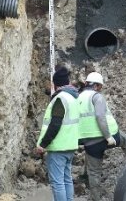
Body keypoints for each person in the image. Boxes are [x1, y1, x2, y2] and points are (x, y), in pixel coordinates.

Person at [77, 72, 126, 201]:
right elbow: (100, 116)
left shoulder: (78, 98)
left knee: (94, 172)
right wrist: (108, 136)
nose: (100, 89)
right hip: (108, 136)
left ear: (86, 83)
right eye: (100, 87)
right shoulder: (96, 97)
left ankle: (96, 197)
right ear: (97, 86)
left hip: (89, 142)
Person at [34, 66, 80, 201]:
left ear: (55, 84)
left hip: (58, 148)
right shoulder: (73, 98)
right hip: (70, 146)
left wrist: (43, 144)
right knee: (67, 179)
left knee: (57, 183)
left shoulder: (60, 99)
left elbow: (55, 124)